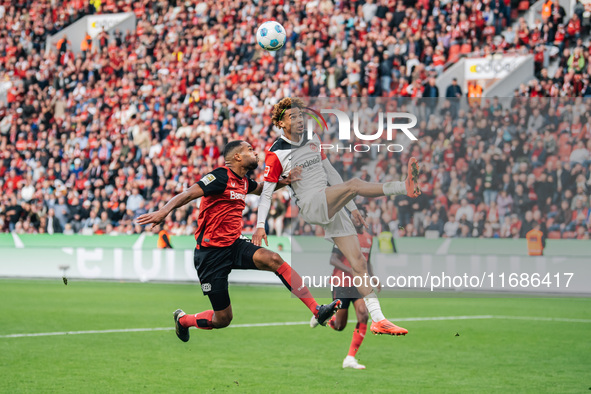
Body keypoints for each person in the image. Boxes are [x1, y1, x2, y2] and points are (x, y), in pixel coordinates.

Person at [136, 140, 340, 342]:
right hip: (210, 254)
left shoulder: (243, 181)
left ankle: (317, 310)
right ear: (237, 157)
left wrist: (285, 181)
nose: (255, 153)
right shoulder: (219, 176)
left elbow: (260, 188)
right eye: (250, 150)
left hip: (234, 245)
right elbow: (189, 193)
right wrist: (163, 211)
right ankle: (184, 320)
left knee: (274, 259)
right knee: (223, 319)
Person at [253, 97, 422, 336]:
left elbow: (330, 172)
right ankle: (402, 187)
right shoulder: (276, 153)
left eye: (301, 115)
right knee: (353, 184)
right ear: (281, 122)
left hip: (329, 199)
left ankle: (379, 319)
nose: (300, 120)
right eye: (293, 117)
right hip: (312, 203)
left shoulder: (313, 139)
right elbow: (267, 192)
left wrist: (352, 209)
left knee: (359, 263)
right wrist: (261, 225)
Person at [310, 217, 378, 369]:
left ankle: (350, 358)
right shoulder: (344, 237)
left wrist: (373, 278)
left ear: (365, 218)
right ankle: (322, 314)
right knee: (340, 326)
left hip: (359, 284)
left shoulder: (369, 238)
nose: (357, 220)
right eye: (354, 217)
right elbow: (333, 259)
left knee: (364, 314)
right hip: (341, 283)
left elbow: (367, 261)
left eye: (360, 216)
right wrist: (351, 270)